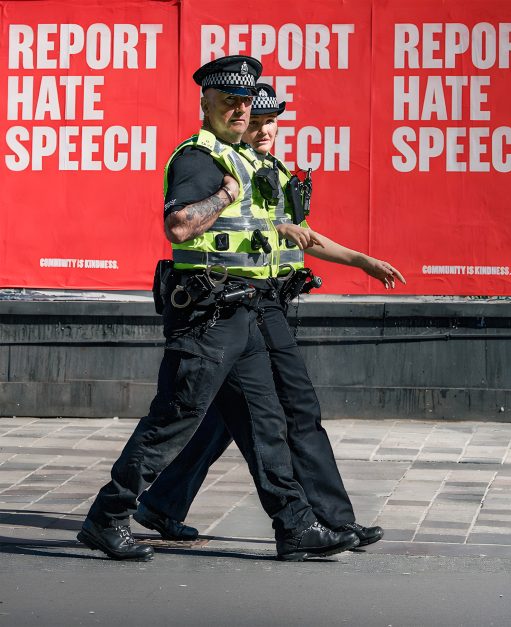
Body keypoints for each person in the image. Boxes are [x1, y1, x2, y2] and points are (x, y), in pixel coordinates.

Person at [77, 56, 360, 562]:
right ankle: (108, 516)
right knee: (175, 419)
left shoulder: (244, 158)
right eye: (228, 99)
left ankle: (294, 525)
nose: (238, 109)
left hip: (245, 312)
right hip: (207, 315)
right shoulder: (198, 159)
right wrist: (225, 194)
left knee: (264, 423)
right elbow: (180, 226)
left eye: (244, 101)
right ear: (205, 101)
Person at [133, 83, 405, 547]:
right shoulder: (216, 162)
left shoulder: (268, 170)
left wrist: (360, 260)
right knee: (288, 412)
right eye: (252, 121)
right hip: (238, 303)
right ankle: (324, 520)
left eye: (268, 122)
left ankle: (162, 502)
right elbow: (195, 225)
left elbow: (298, 234)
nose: (261, 130)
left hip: (262, 301)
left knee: (233, 416)